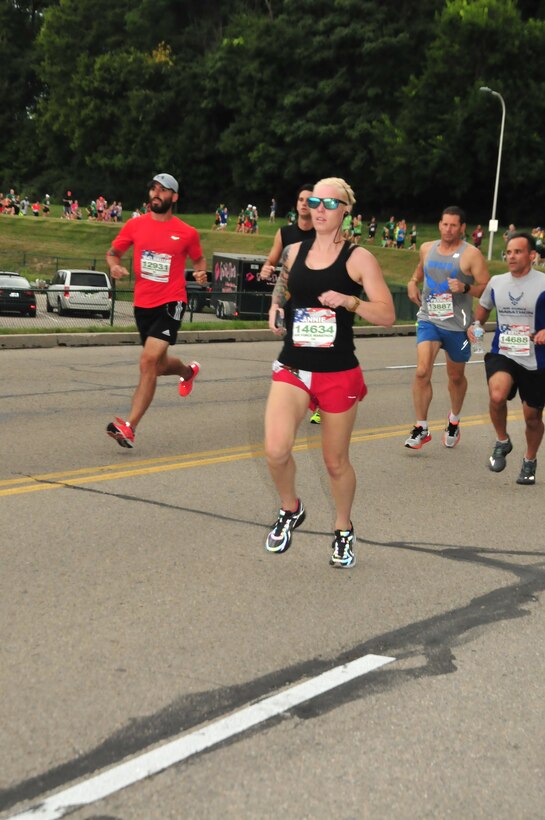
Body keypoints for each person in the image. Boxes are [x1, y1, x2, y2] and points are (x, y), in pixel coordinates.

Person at [264, 177, 395, 568]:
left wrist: (351, 301)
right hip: (294, 366)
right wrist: (276, 305)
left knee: (335, 462)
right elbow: (285, 283)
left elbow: (387, 314)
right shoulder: (293, 250)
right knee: (275, 450)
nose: (318, 208)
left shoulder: (358, 259)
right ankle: (291, 508)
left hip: (338, 371)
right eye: (314, 201)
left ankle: (342, 527)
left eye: (328, 203)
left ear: (344, 211)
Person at [105, 172, 207, 448]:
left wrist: (200, 273)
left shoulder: (187, 232)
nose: (156, 193)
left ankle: (129, 427)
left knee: (147, 361)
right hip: (143, 304)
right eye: (153, 188)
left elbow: (198, 260)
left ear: (174, 197)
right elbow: (113, 252)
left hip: (171, 302)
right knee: (158, 365)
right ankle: (187, 372)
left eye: (163, 190)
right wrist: (114, 266)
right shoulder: (135, 225)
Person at [405, 205, 490, 450]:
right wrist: (412, 282)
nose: (448, 229)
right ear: (439, 224)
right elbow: (419, 272)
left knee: (455, 377)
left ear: (462, 228)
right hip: (429, 319)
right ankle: (421, 427)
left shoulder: (471, 254)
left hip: (457, 325)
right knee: (422, 371)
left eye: (453, 225)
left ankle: (454, 419)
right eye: (444, 224)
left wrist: (465, 289)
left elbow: (484, 287)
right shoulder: (426, 248)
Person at [468, 232, 545, 485]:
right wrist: (475, 325)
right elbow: (484, 309)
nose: (511, 256)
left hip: (537, 358)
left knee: (532, 417)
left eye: (518, 251)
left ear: (532, 256)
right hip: (504, 351)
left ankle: (529, 460)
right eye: (508, 252)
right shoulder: (497, 282)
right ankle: (502, 441)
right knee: (497, 395)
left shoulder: (543, 283)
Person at [259, 183, 319, 422]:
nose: (304, 203)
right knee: (295, 350)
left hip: (314, 303)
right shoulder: (285, 233)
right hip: (289, 301)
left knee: (311, 353)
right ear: (296, 204)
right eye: (301, 199)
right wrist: (267, 267)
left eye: (310, 200)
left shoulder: (323, 234)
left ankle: (318, 402)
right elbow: (273, 259)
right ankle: (305, 400)